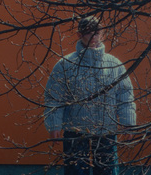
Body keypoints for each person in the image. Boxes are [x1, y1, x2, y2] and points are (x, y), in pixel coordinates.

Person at [44, 16, 136, 175]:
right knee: (76, 171)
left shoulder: (114, 64)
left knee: (107, 171)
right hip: (75, 130)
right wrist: (54, 124)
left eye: (97, 32)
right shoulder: (66, 65)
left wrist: (128, 122)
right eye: (88, 33)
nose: (93, 37)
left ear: (102, 33)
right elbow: (54, 96)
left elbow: (125, 95)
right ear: (79, 35)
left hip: (106, 130)